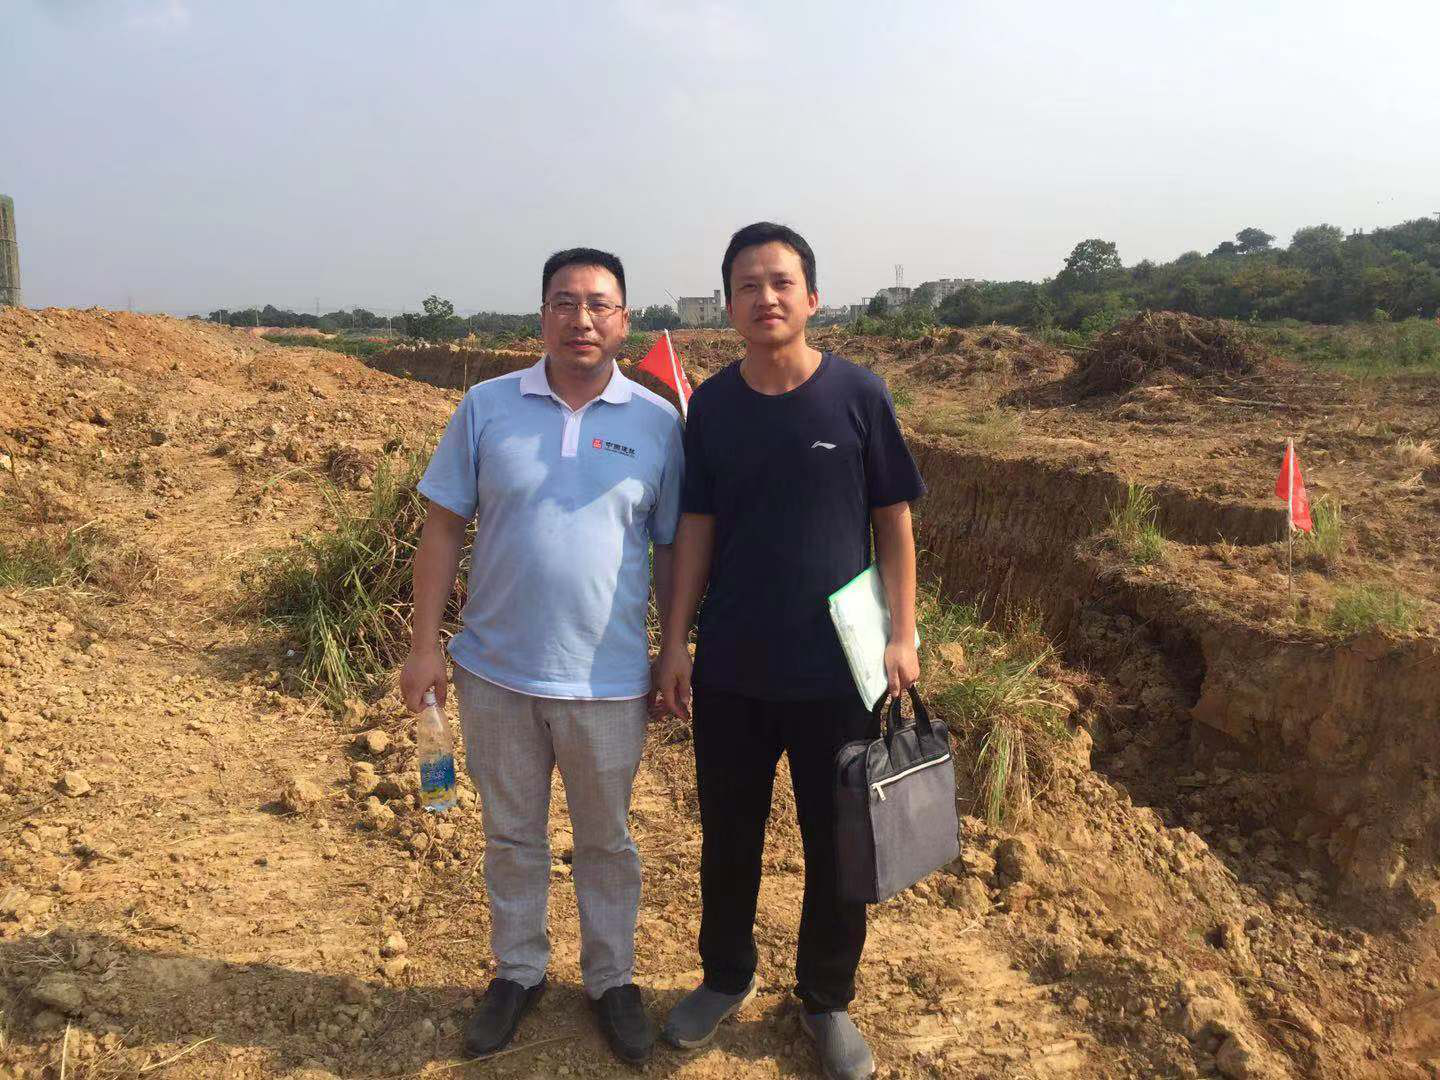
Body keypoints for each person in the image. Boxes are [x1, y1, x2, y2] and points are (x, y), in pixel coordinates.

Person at [655, 222, 925, 1080]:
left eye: (781, 282)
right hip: (733, 667)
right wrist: (675, 641)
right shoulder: (713, 407)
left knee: (839, 843)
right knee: (728, 834)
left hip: (839, 671)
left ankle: (826, 998)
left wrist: (904, 634)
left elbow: (894, 521)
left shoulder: (859, 395)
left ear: (813, 297)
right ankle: (725, 976)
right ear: (727, 304)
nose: (764, 298)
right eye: (747, 285)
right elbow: (697, 528)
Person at [401, 247, 683, 1066]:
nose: (581, 319)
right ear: (542, 316)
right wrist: (423, 646)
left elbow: (671, 547)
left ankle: (612, 979)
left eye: (599, 304)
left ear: (624, 320)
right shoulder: (487, 407)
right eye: (565, 302)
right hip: (495, 673)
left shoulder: (659, 423)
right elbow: (443, 528)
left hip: (609, 681)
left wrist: (673, 647)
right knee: (511, 835)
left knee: (607, 841)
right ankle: (518, 970)